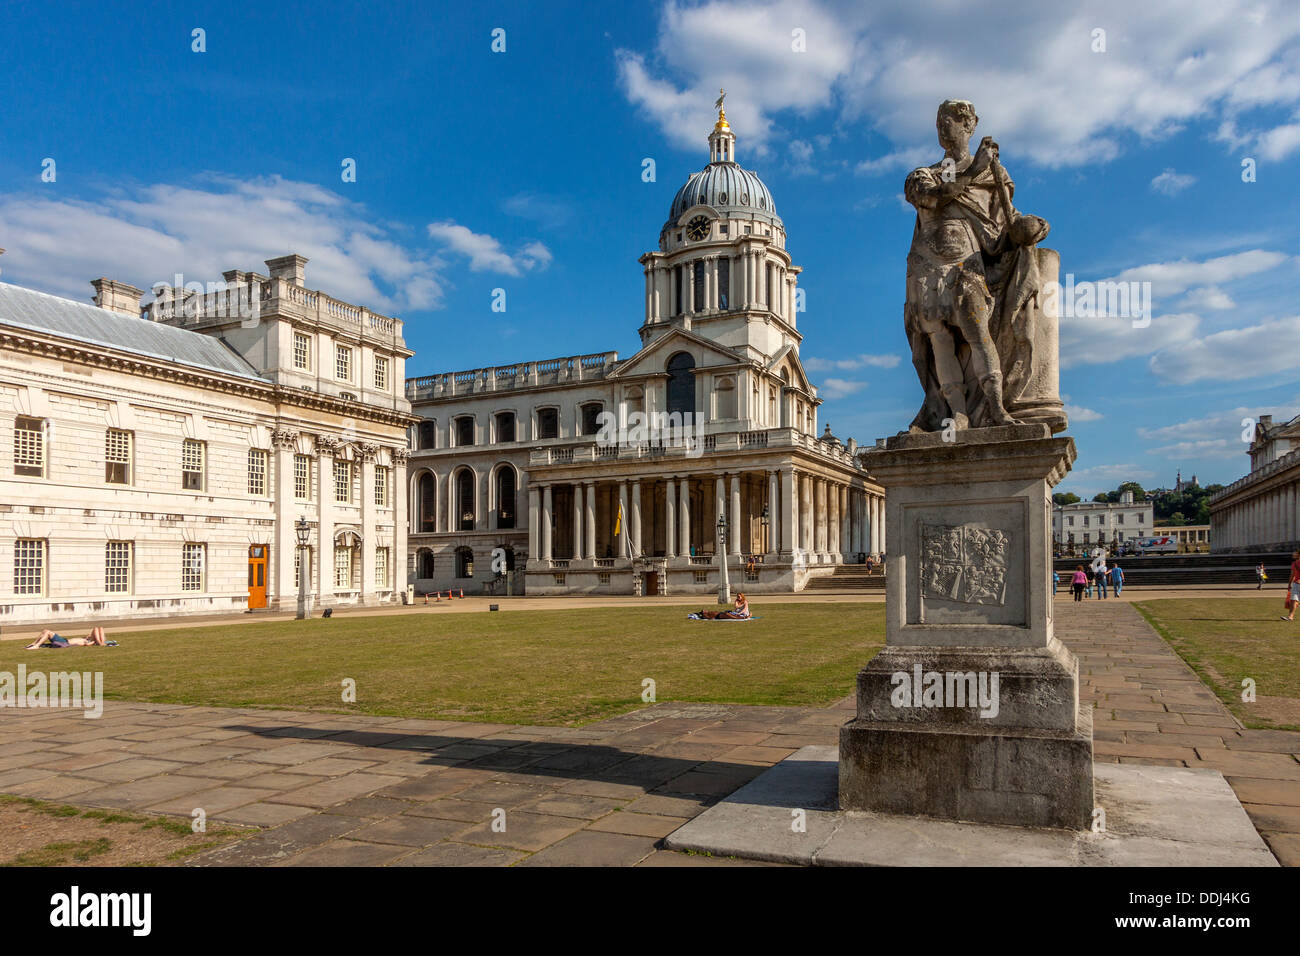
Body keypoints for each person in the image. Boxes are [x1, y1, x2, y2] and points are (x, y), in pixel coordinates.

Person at [26, 627, 107, 649]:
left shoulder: (87, 642)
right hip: (64, 640)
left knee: (47, 632)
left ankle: (37, 645)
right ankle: (34, 643)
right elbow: (93, 633)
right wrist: (87, 637)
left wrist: (93, 642)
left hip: (64, 642)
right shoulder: (86, 639)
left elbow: (88, 644)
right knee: (45, 630)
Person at [1283, 551, 1300, 622]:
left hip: (1296, 584)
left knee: (1294, 601)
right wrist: (1289, 584)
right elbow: (1292, 575)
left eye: (1295, 553)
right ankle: (1290, 617)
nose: (1293, 554)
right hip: (1296, 584)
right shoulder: (1294, 563)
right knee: (1293, 601)